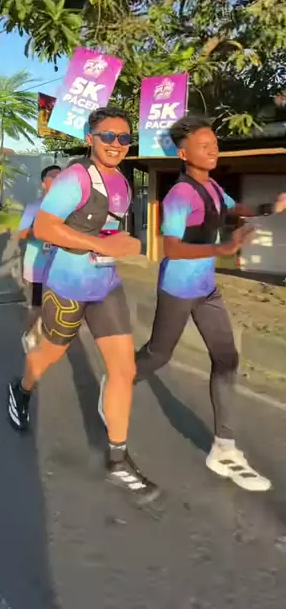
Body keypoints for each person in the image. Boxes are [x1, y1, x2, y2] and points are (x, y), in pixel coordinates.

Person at [8, 106, 159, 502]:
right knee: (49, 354)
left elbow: (111, 233)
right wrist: (102, 245)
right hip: (68, 285)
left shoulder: (123, 182)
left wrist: (123, 245)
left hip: (106, 286)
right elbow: (44, 227)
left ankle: (118, 459)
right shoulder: (75, 178)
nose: (116, 144)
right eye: (108, 136)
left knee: (123, 370)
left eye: (124, 138)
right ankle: (22, 389)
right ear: (90, 139)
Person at [135, 114, 286, 492]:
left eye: (215, 144)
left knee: (227, 358)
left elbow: (234, 210)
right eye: (204, 146)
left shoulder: (214, 188)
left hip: (206, 288)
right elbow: (171, 248)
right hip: (178, 288)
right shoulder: (179, 195)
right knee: (158, 355)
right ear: (184, 154)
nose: (213, 150)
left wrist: (270, 207)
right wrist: (224, 248)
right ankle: (120, 380)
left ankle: (223, 446)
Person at [18, 165, 61, 353]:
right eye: (53, 177)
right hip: (37, 266)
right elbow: (22, 233)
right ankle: (28, 334)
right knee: (36, 307)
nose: (58, 181)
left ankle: (43, 333)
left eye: (61, 177)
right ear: (44, 184)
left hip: (59, 266)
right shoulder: (34, 207)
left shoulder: (69, 208)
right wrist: (40, 231)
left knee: (54, 306)